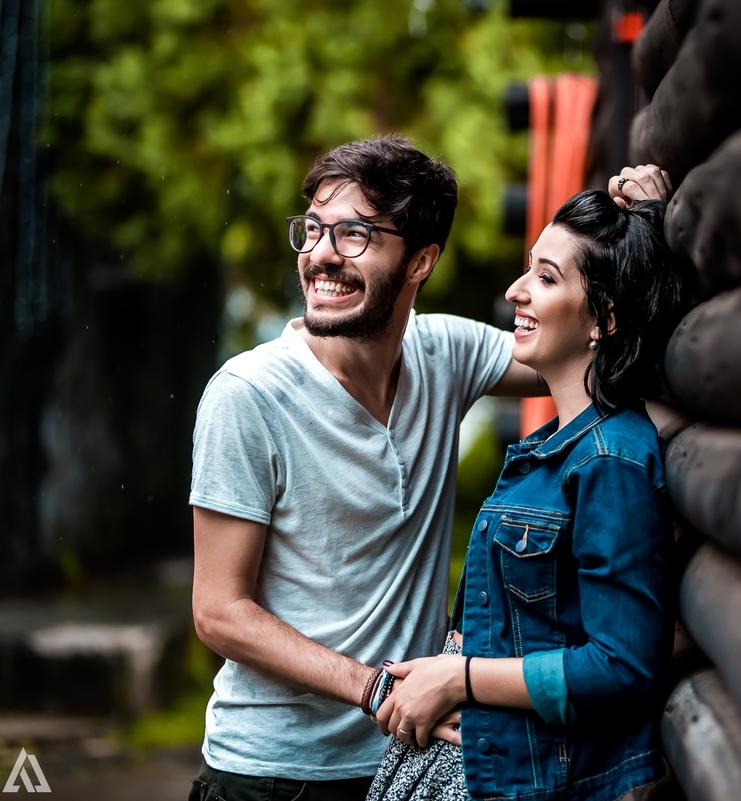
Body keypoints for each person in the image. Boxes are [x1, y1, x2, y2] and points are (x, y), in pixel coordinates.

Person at [187, 134, 547, 801]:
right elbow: (218, 611)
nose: (322, 254)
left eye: (355, 234)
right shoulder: (248, 395)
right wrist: (374, 685)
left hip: (402, 769)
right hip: (270, 775)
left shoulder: (446, 354)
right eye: (314, 230)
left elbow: (575, 350)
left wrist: (638, 221)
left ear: (420, 261)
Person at [365, 185, 691, 801]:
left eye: (545, 278)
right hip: (489, 761)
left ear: (607, 317)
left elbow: (622, 668)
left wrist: (458, 679)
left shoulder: (610, 460)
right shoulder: (554, 445)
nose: (515, 290)